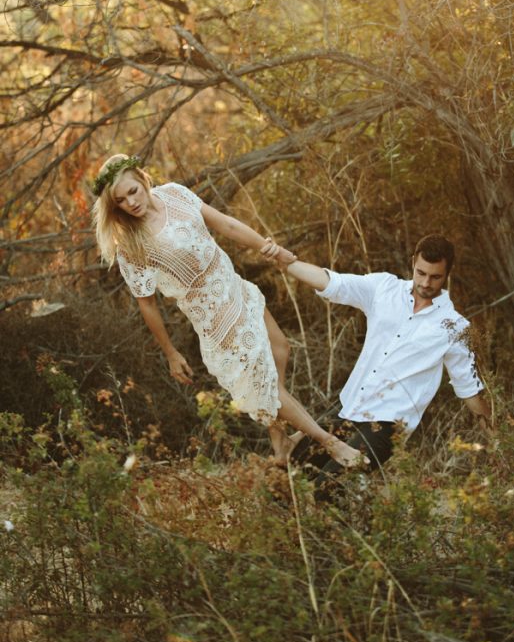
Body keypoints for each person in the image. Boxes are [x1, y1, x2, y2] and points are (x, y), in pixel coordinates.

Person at [92, 153, 364, 468]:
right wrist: (170, 352)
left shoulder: (175, 194)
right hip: (213, 315)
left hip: (233, 287)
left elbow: (226, 224)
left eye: (133, 191)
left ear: (142, 179)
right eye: (121, 200)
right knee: (266, 385)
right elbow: (147, 303)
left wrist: (269, 248)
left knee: (280, 349)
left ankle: (280, 442)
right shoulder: (131, 244)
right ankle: (330, 443)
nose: (131, 202)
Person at [262, 234, 492, 485]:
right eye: (420, 273)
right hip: (347, 409)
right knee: (285, 476)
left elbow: (469, 390)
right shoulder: (384, 288)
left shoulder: (455, 327)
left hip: (387, 426)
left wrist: (497, 440)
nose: (426, 282)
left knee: (328, 487)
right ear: (413, 262)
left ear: (448, 272)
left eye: (435, 277)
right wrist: (286, 260)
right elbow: (331, 282)